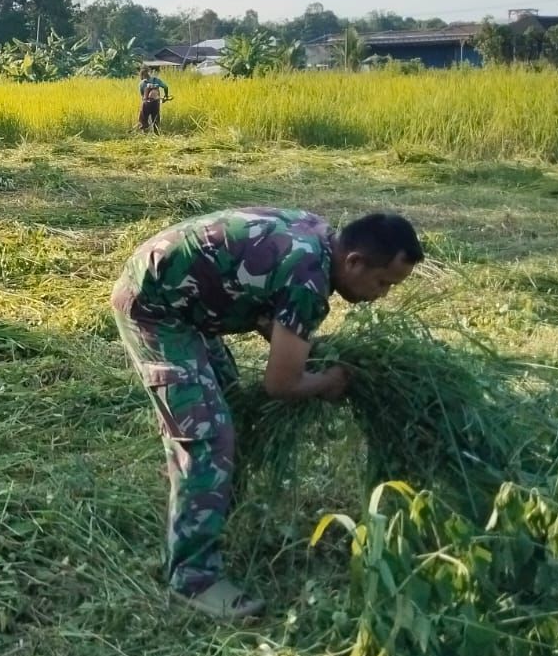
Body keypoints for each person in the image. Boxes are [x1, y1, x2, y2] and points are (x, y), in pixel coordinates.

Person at [110, 208, 423, 619]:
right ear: (354, 262)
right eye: (383, 282)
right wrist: (329, 381)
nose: (382, 295)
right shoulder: (308, 279)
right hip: (156, 309)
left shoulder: (318, 237)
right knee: (207, 435)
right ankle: (193, 578)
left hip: (185, 300)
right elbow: (282, 384)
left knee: (229, 408)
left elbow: (264, 309)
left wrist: (310, 355)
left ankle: (205, 518)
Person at [137, 66, 170, 133]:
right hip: (156, 103)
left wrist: (145, 101)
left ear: (142, 75)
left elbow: (142, 96)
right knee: (156, 119)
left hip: (146, 104)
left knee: (143, 119)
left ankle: (144, 133)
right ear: (148, 73)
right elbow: (166, 87)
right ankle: (156, 133)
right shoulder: (156, 80)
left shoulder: (142, 84)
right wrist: (166, 96)